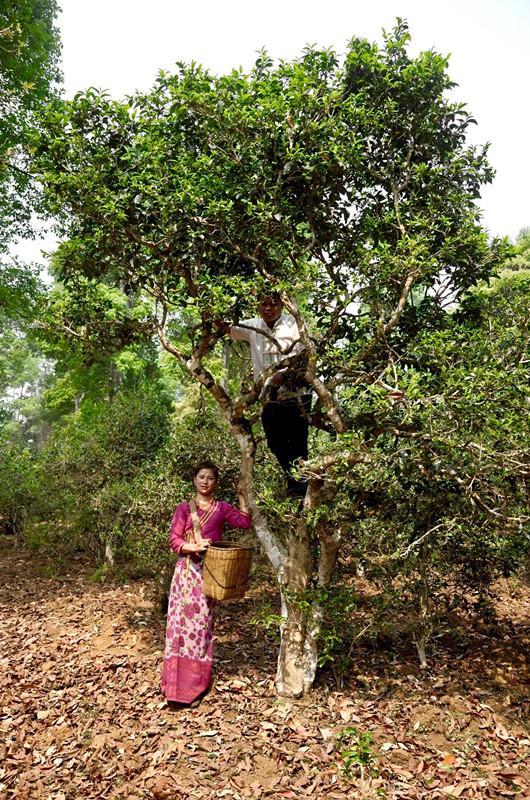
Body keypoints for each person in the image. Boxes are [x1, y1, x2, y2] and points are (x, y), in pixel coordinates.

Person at [161, 461, 251, 707]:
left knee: (201, 627)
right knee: (178, 628)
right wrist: (193, 546)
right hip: (185, 575)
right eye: (201, 477)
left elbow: (244, 522)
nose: (205, 481)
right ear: (194, 480)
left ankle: (195, 686)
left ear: (216, 483)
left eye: (210, 478)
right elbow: (174, 540)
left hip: (208, 574)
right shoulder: (183, 509)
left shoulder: (221, 508)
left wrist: (242, 496)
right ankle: (173, 687)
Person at [229, 293, 311, 496]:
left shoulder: (295, 324)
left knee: (297, 441)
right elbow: (224, 327)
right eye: (264, 304)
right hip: (269, 397)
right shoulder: (253, 326)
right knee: (275, 441)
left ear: (282, 305)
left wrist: (286, 375)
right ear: (258, 305)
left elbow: (306, 356)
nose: (269, 308)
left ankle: (299, 487)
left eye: (273, 304)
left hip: (296, 394)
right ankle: (294, 478)